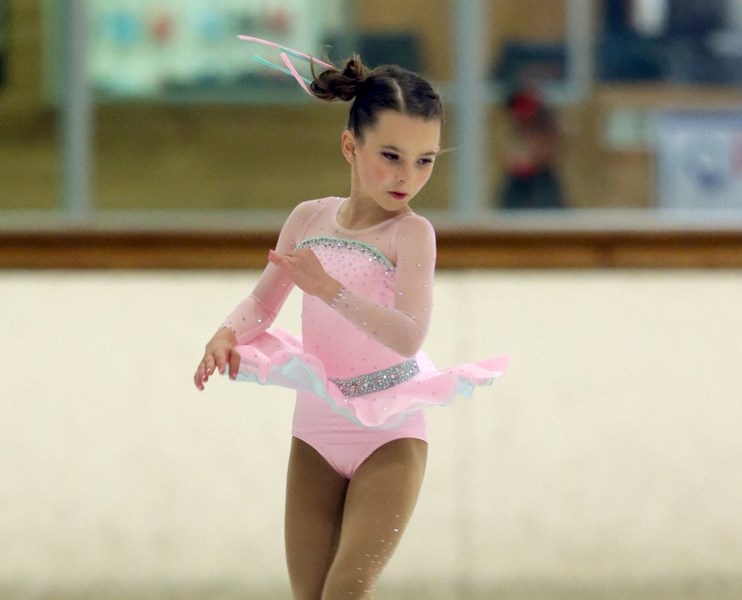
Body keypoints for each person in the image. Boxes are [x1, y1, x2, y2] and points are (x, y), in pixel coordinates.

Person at [194, 39, 508, 600]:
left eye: (425, 160)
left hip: (389, 428)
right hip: (317, 426)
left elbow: (409, 333)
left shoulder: (412, 234)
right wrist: (225, 333)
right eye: (391, 155)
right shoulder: (307, 218)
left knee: (345, 592)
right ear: (350, 146)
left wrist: (328, 289)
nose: (407, 176)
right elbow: (263, 304)